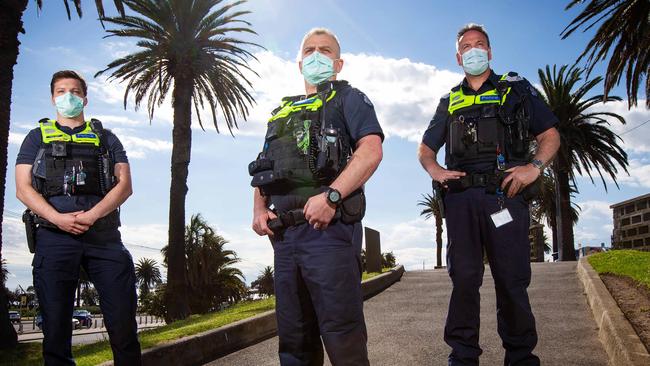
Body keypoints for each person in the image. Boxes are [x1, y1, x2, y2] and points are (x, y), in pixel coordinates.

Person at [418, 24, 561, 366]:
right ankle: (463, 357)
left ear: (490, 52)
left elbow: (550, 135)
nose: (473, 50)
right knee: (464, 280)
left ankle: (521, 356)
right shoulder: (449, 100)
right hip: (462, 200)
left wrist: (534, 167)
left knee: (511, 280)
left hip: (505, 195)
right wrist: (436, 171)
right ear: (458, 57)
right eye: (466, 46)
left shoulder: (517, 90)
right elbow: (425, 149)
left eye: (479, 44)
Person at [250, 28, 383, 365]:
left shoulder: (348, 99)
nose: (316, 55)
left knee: (342, 337)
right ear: (299, 63)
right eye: (309, 50)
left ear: (338, 63)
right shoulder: (280, 112)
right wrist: (259, 209)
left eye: (325, 50)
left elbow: (371, 151)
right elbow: (263, 167)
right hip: (285, 238)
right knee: (295, 340)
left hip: (330, 233)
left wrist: (332, 196)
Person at [15, 70, 141, 365]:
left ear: (85, 98)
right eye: (60, 91)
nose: (67, 96)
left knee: (123, 324)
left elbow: (125, 184)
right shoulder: (36, 138)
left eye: (73, 90)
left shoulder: (106, 138)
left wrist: (93, 215)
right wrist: (58, 219)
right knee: (56, 331)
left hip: (104, 237)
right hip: (54, 237)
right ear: (52, 98)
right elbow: (23, 188)